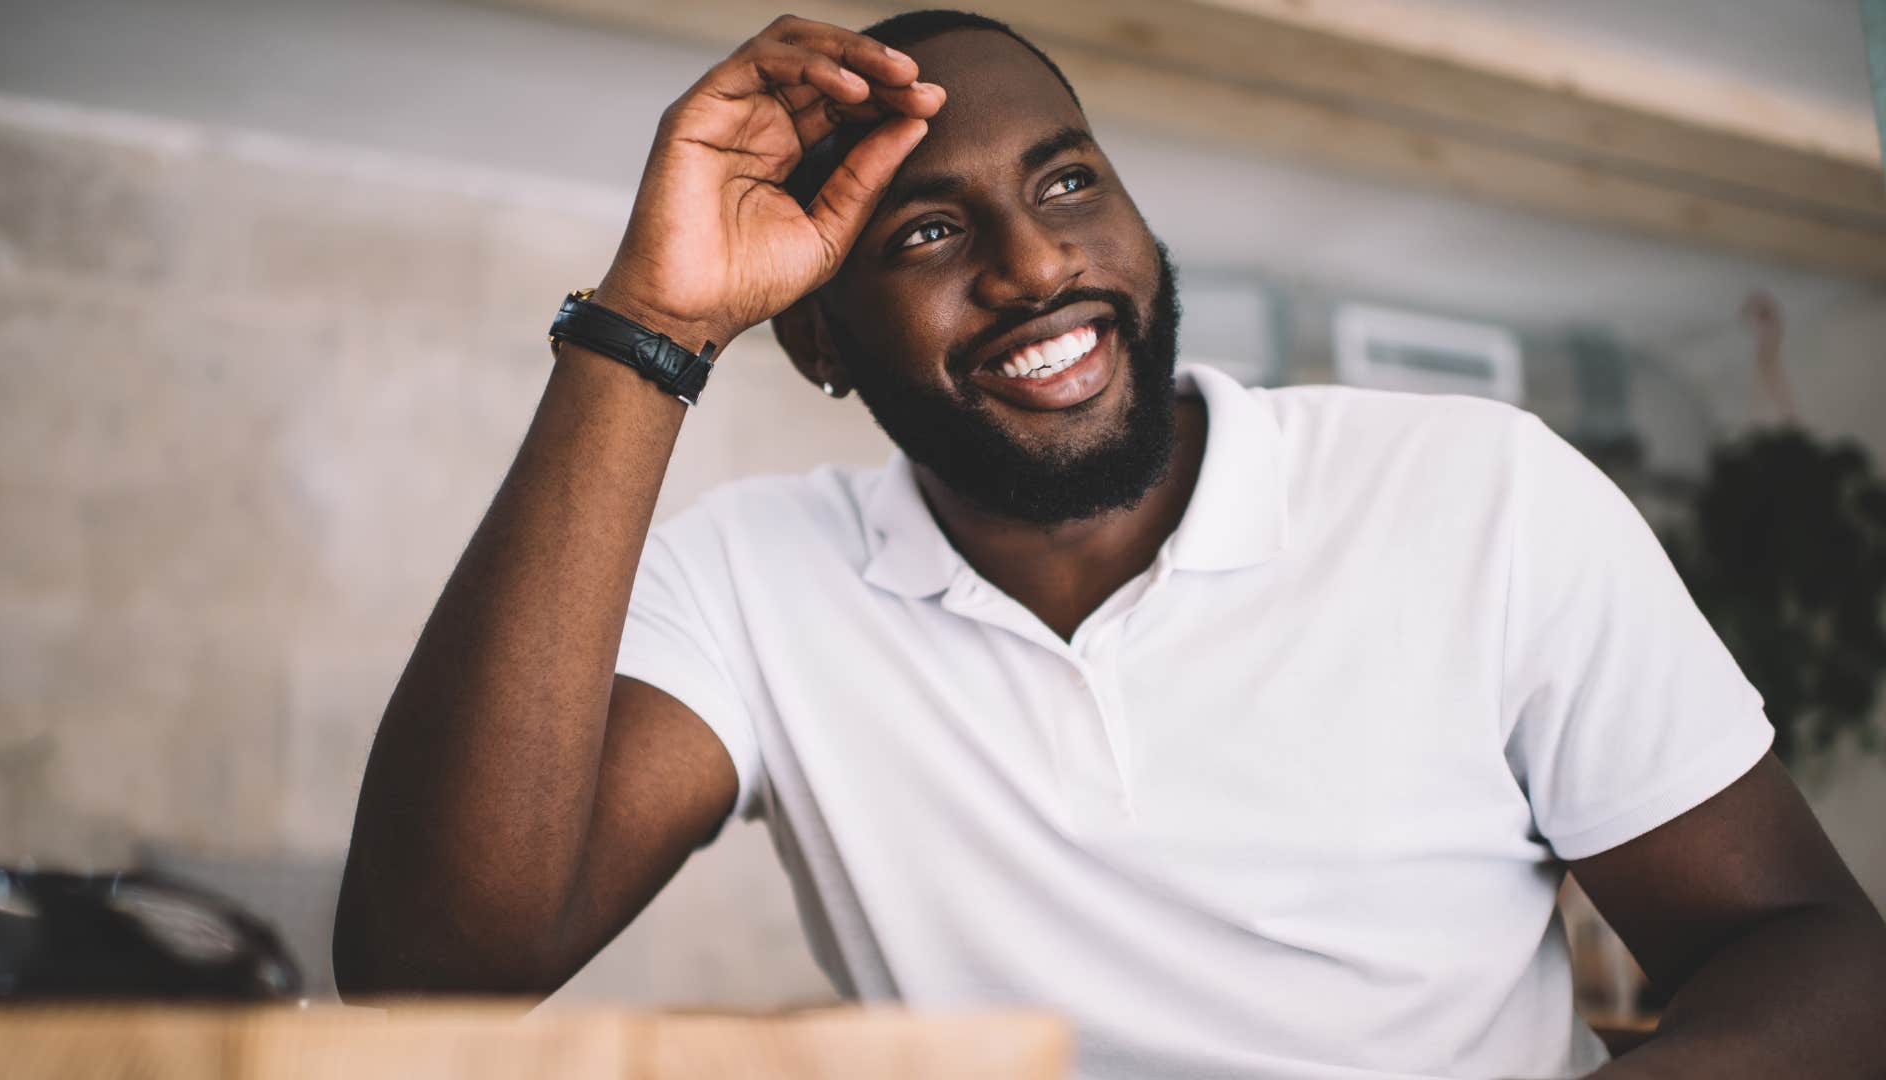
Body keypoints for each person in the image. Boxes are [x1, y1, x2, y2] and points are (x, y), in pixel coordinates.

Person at [333, 10, 1886, 1078]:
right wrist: (651, 324)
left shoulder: (1481, 493)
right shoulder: (753, 583)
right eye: (927, 233)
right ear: (817, 339)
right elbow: (434, 970)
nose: (1036, 264)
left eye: (1068, 178)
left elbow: (1817, 951)